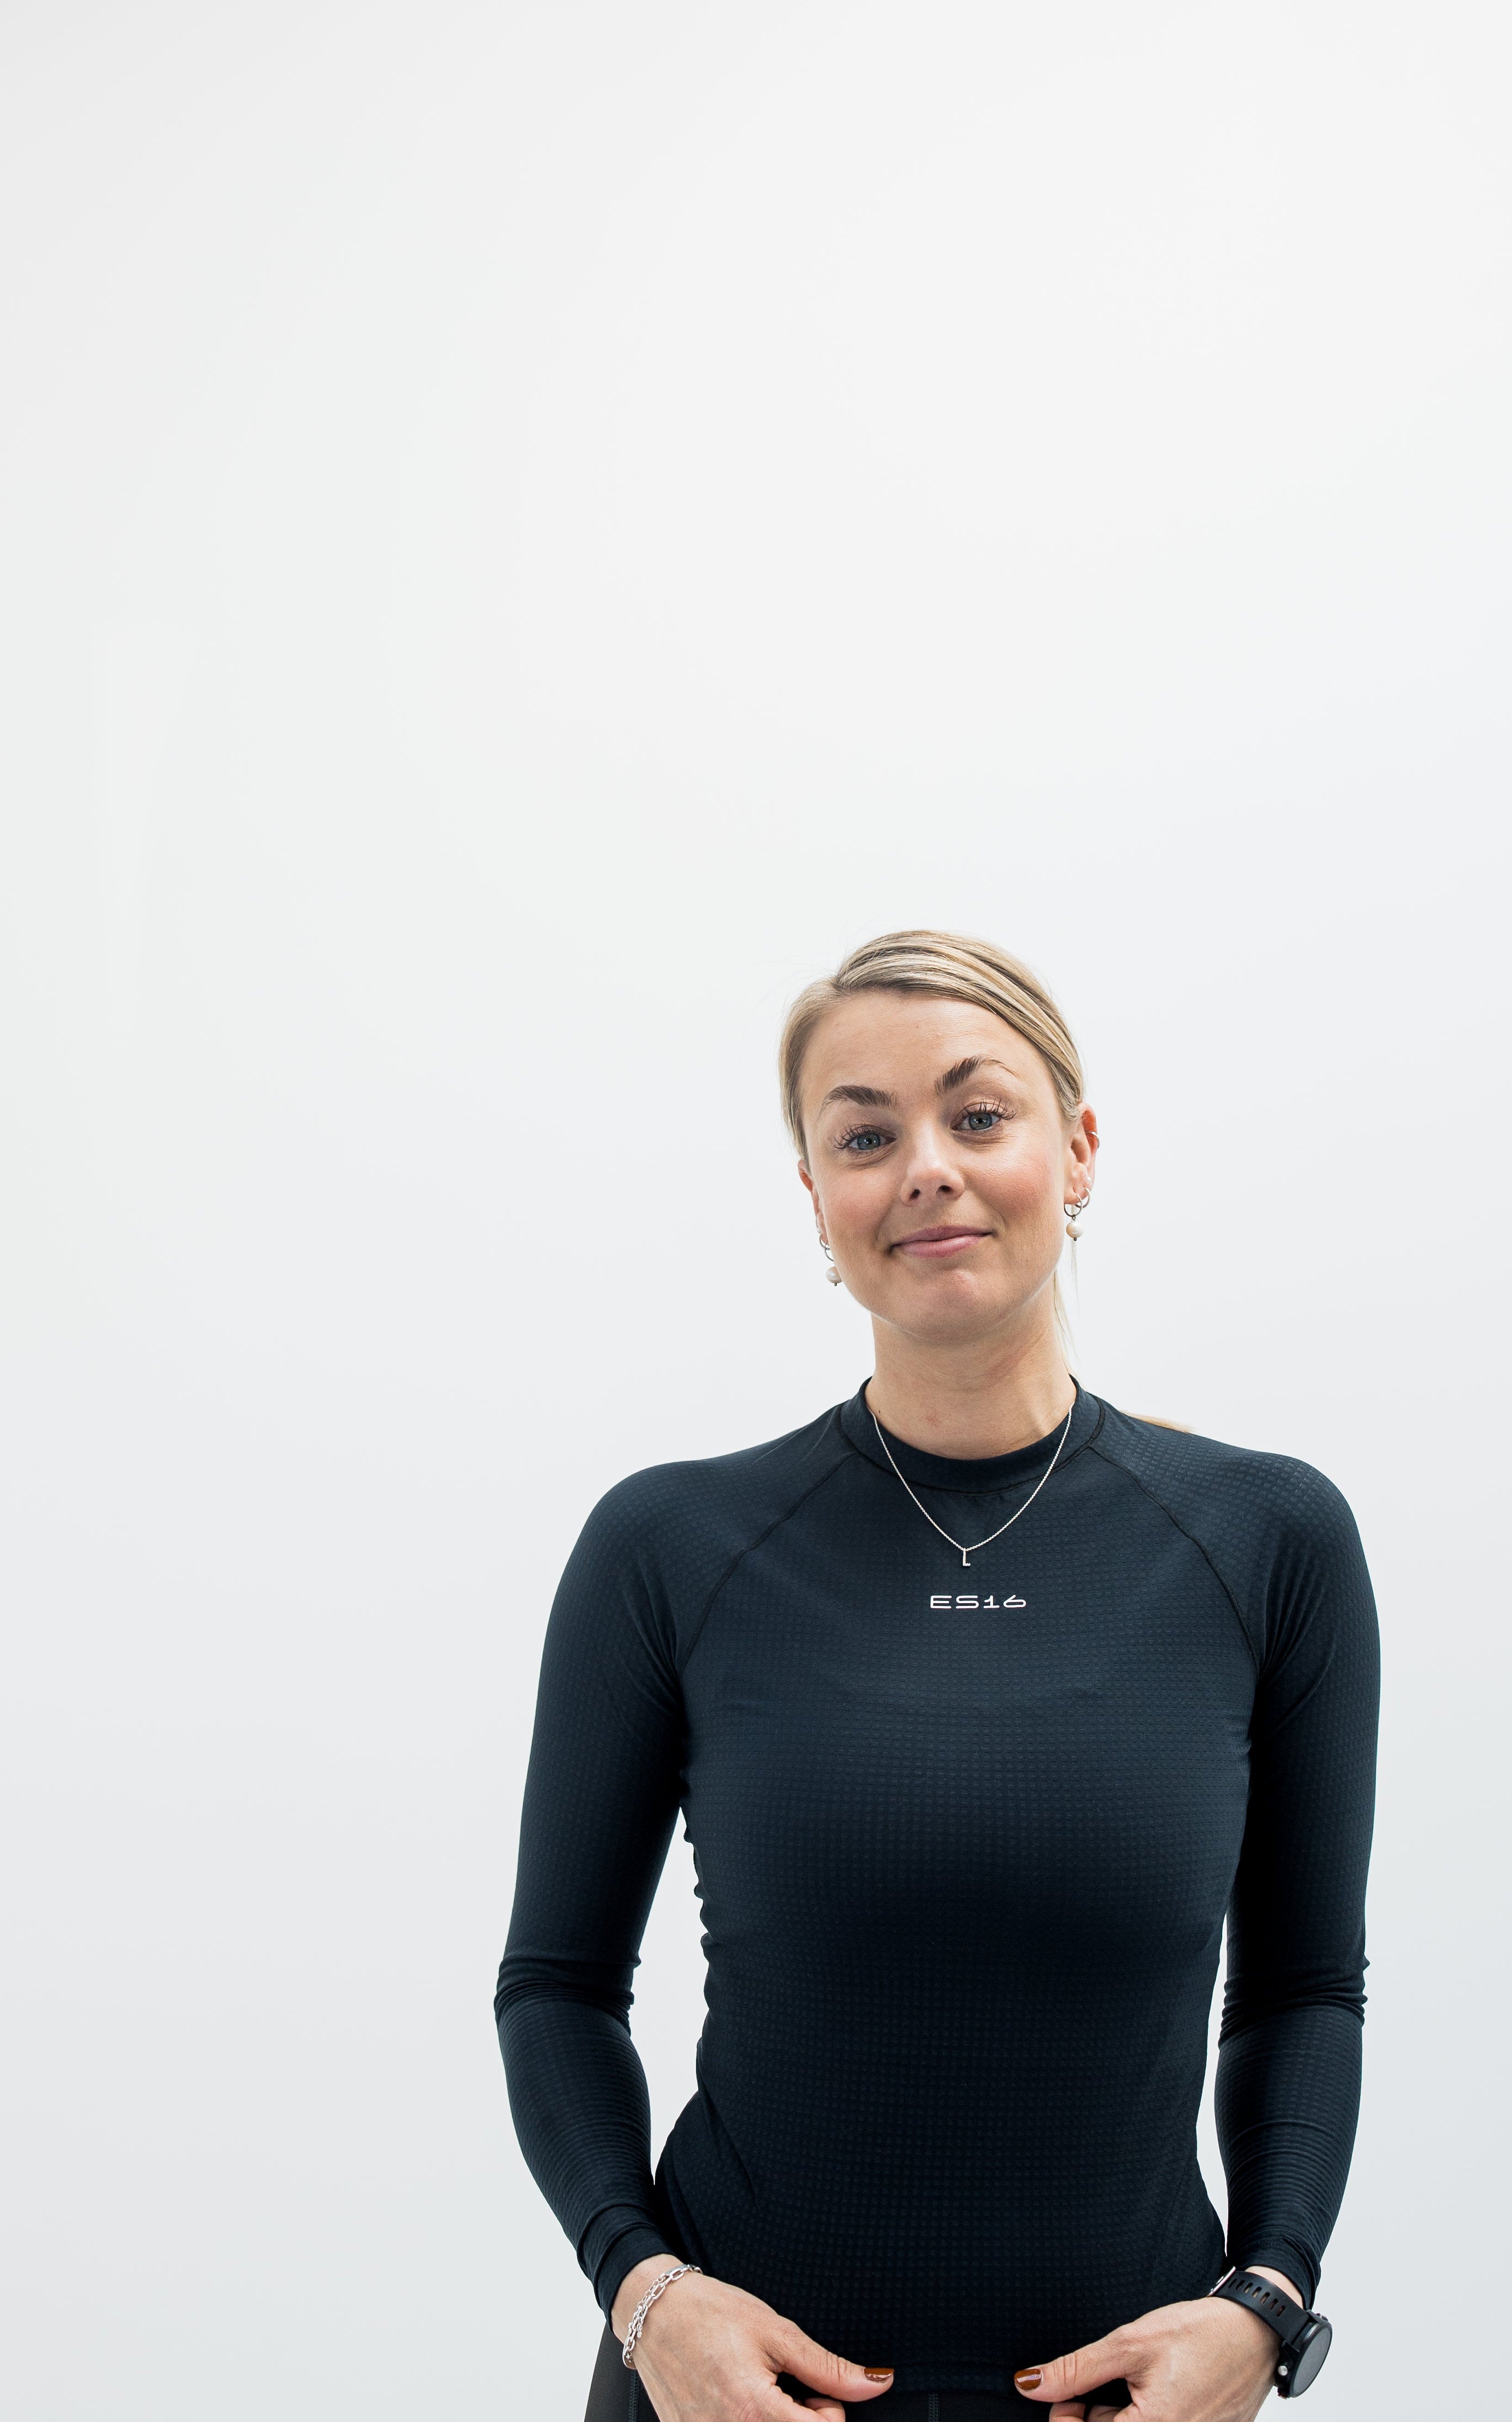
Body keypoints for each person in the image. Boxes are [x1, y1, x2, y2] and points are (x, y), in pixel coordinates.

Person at [496, 931, 1378, 2422]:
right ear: (816, 1198)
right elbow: (558, 1987)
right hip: (733, 2399)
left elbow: (1303, 1990)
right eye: (864, 1136)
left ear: (1077, 1150)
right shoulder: (671, 1547)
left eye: (978, 1115)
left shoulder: (1266, 1540)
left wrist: (1266, 2304)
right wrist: (648, 2296)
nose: (926, 1169)